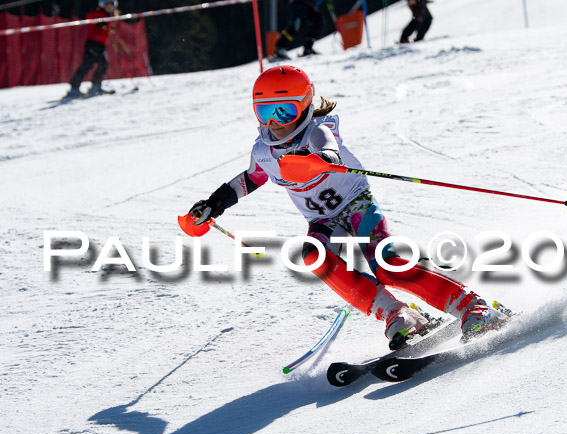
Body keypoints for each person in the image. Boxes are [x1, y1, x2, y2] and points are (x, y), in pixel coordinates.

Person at [188, 66, 506, 349]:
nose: (274, 123)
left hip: (356, 204)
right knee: (313, 256)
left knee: (385, 264)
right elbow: (251, 178)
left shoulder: (316, 130)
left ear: (303, 106)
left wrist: (318, 162)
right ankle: (398, 314)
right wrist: (213, 205)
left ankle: (472, 306)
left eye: (283, 111)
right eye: (264, 112)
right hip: (323, 219)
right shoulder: (263, 149)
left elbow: (330, 153)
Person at [66, 0, 118, 97]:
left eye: (112, 4)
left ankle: (96, 86)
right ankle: (74, 88)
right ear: (102, 5)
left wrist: (110, 29)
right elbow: (89, 17)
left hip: (102, 45)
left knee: (103, 65)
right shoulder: (98, 14)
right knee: (87, 65)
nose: (110, 7)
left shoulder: (110, 16)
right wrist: (99, 21)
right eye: (107, 4)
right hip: (92, 44)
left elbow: (108, 29)